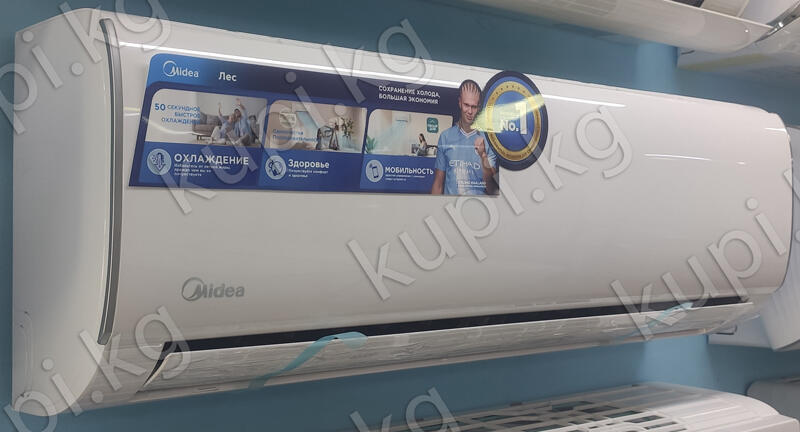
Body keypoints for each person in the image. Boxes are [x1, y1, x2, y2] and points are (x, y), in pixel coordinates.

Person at [431, 80, 498, 195]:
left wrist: (483, 156)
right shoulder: (445, 137)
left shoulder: (489, 139)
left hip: (478, 205)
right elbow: (438, 184)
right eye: (466, 105)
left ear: (479, 107)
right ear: (460, 103)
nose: (470, 111)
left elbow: (491, 188)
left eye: (474, 107)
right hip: (450, 205)